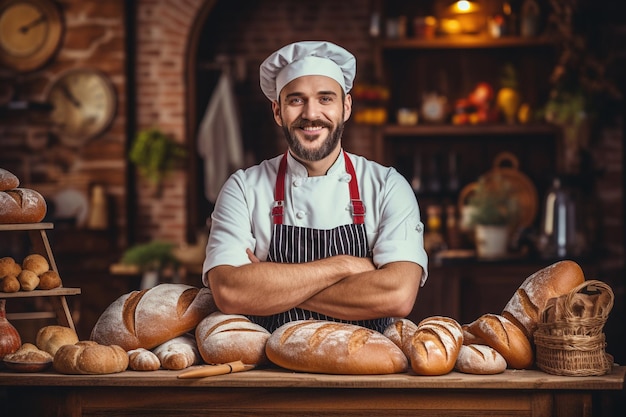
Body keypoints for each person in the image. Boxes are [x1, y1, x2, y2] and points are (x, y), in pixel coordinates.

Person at [202, 40, 428, 333]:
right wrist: (345, 267)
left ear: (346, 106)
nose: (311, 114)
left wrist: (269, 288)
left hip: (367, 372)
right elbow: (230, 293)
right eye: (296, 100)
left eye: (325, 99)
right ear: (277, 111)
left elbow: (397, 295)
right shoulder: (243, 189)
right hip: (269, 375)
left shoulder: (387, 186)